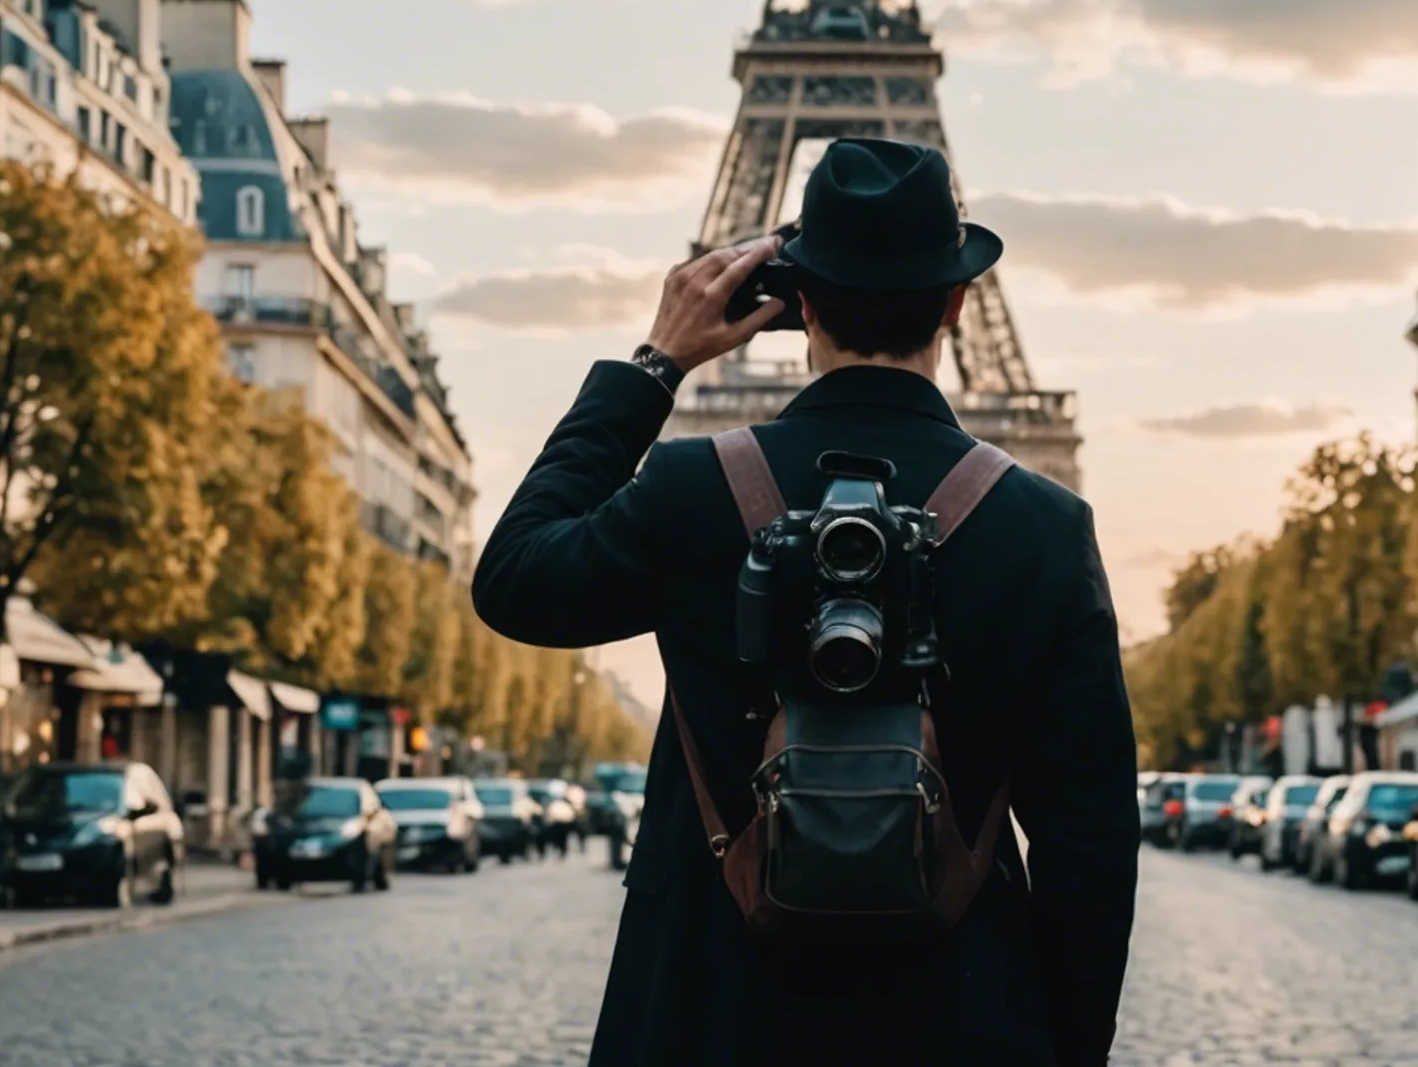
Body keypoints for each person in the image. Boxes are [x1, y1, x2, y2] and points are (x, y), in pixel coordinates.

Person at [474, 139, 1139, 1067]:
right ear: (956, 301)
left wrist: (655, 363)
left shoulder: (691, 488)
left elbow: (514, 580)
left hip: (709, 1014)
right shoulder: (1044, 527)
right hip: (961, 1019)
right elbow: (1091, 844)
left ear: (798, 301)